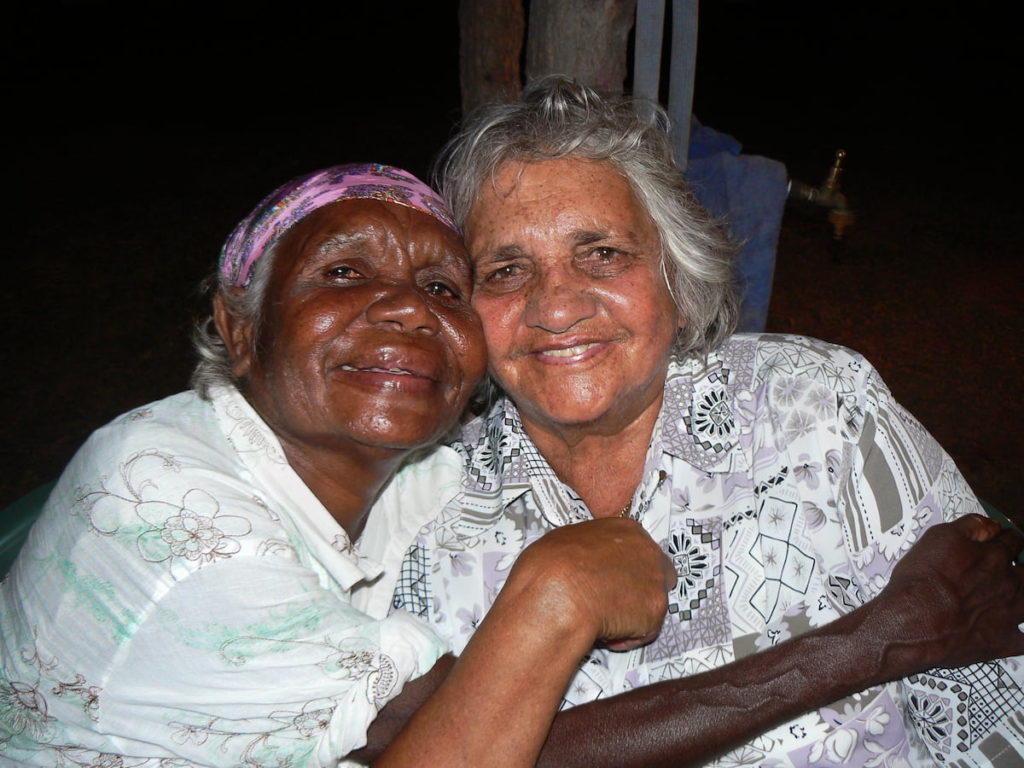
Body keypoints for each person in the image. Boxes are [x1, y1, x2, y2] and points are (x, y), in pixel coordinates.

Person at [395, 79, 1024, 766]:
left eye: (601, 253)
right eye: (507, 269)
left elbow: (991, 712)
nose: (556, 306)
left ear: (679, 284)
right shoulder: (429, 510)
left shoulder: (816, 413)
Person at [0, 163, 676, 767]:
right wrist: (561, 591)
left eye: (443, 287)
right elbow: (482, 735)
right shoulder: (173, 510)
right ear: (241, 328)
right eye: (345, 273)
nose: (412, 307)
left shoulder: (423, 477)